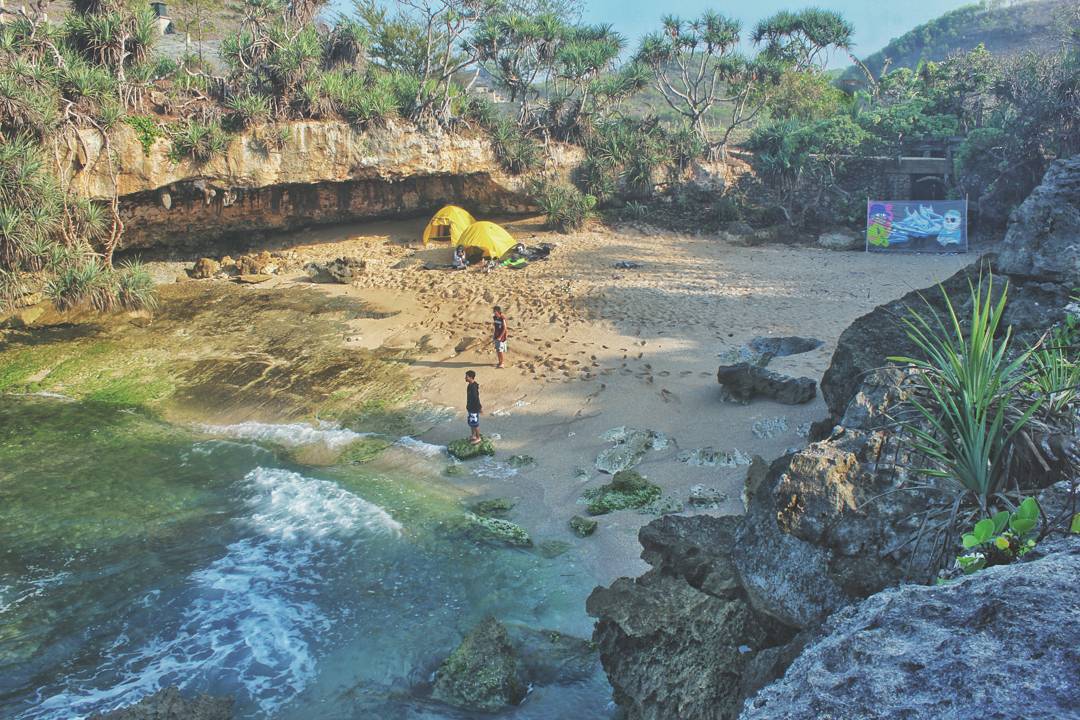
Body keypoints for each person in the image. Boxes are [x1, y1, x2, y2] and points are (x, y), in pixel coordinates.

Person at [465, 370, 482, 444]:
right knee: (471, 423)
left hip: (474, 409)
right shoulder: (470, 385)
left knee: (475, 424)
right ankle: (473, 435)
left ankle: (478, 438)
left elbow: (476, 398)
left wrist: (479, 408)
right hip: (470, 408)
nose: (465, 378)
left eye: (466, 377)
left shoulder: (473, 387)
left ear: (471, 377)